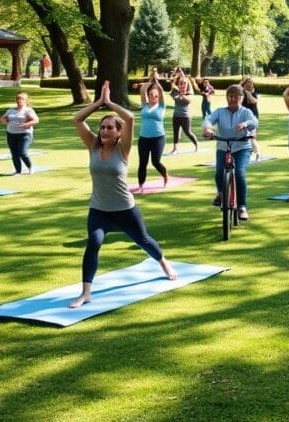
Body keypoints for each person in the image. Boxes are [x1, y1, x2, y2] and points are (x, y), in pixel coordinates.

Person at [69, 80, 177, 308]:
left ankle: (163, 262)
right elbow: (77, 119)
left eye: (110, 128)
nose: (105, 130)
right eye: (103, 127)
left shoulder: (123, 150)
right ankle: (86, 292)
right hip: (99, 210)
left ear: (119, 133)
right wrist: (99, 103)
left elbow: (129, 118)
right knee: (93, 244)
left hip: (125, 210)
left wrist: (111, 103)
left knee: (144, 240)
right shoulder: (93, 146)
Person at [202, 84, 258, 221]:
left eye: (236, 96)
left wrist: (245, 124)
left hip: (242, 147)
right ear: (226, 97)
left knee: (239, 173)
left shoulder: (246, 112)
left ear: (241, 97)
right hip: (223, 145)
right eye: (230, 96)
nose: (233, 99)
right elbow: (208, 119)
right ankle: (221, 193)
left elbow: (254, 121)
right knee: (219, 171)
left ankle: (242, 207)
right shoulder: (220, 111)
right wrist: (207, 129)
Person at [137, 69, 168, 193]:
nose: (152, 97)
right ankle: (140, 186)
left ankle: (165, 175)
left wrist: (157, 81)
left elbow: (160, 90)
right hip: (143, 138)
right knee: (143, 162)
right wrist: (150, 81)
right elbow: (142, 90)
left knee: (155, 162)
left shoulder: (161, 106)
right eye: (151, 95)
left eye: (155, 96)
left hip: (158, 138)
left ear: (158, 97)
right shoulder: (144, 105)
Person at [0, 91, 39, 175]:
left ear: (26, 101)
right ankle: (18, 171)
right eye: (18, 99)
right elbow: (2, 118)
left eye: (22, 99)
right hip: (11, 134)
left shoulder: (28, 110)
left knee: (22, 152)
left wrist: (26, 124)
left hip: (24, 134)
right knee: (14, 153)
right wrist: (5, 122)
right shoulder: (10, 110)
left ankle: (30, 167)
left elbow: (36, 120)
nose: (19, 100)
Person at [168, 69, 199, 154]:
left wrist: (182, 92)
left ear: (187, 85)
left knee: (188, 132)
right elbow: (172, 85)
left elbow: (188, 101)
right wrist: (177, 77)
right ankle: (175, 149)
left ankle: (196, 145)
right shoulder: (176, 92)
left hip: (185, 116)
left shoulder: (189, 94)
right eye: (181, 84)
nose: (182, 85)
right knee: (176, 132)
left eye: (184, 84)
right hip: (176, 115)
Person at [241, 76, 261, 161]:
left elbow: (253, 101)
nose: (249, 85)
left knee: (252, 137)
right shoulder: (241, 93)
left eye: (251, 83)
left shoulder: (255, 92)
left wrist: (247, 92)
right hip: (242, 118)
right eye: (247, 83)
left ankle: (257, 154)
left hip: (253, 118)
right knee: (242, 137)